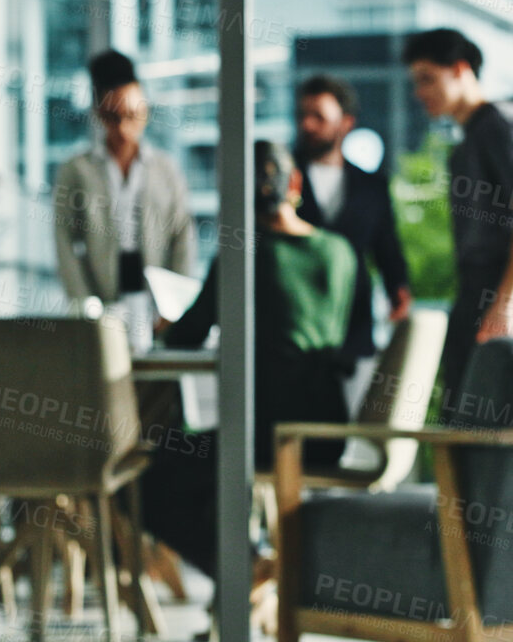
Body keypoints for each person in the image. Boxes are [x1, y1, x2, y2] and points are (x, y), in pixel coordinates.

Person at [140, 141, 356, 584]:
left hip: (264, 436)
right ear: (294, 184)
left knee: (150, 481)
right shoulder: (341, 252)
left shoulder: (243, 254)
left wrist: (166, 325)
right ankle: (253, 562)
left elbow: (185, 337)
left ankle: (246, 569)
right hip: (330, 430)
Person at [403, 28, 513, 392]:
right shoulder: (472, 139)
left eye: (428, 79)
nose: (420, 93)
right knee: (467, 410)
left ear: (460, 69)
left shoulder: (500, 125)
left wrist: (508, 301)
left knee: (499, 413)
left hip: (507, 286)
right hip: (485, 288)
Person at [52, 50, 196, 350]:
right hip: (103, 296)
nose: (123, 128)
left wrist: (177, 306)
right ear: (98, 114)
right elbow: (64, 239)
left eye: (132, 115)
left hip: (155, 298)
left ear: (145, 109)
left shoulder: (165, 169)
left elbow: (182, 235)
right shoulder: (77, 169)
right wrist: (84, 304)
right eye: (111, 117)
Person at [293, 74, 412, 416]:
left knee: (352, 426)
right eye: (303, 115)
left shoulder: (371, 185)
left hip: (355, 328)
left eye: (319, 116)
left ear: (346, 123)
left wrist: (398, 291)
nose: (308, 125)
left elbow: (388, 247)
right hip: (298, 330)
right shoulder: (282, 179)